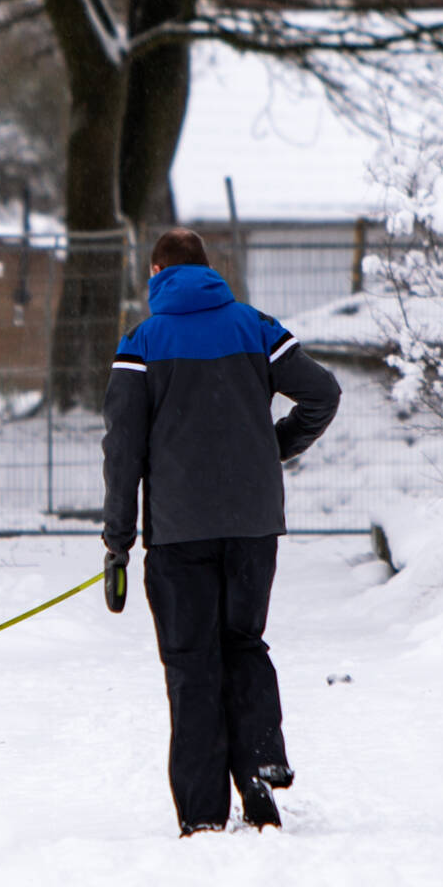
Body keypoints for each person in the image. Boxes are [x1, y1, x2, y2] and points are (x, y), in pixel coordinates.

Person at [101, 227, 342, 834]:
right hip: (254, 526)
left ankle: (204, 814)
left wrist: (118, 542)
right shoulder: (254, 326)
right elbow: (323, 393)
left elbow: (122, 450)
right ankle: (260, 767)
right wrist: (273, 449)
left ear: (157, 273)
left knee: (191, 664)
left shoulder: (143, 341)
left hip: (180, 534)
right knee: (243, 644)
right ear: (208, 269)